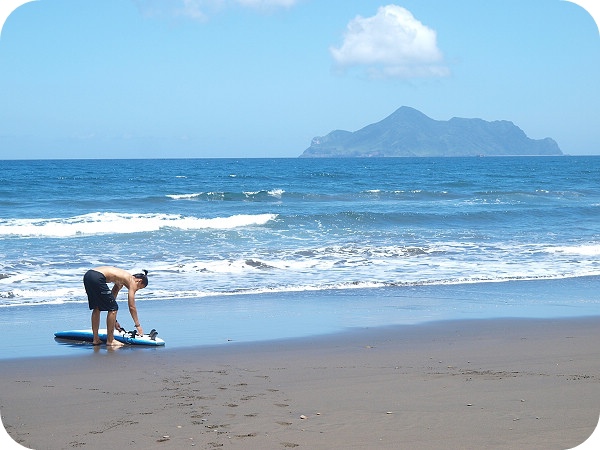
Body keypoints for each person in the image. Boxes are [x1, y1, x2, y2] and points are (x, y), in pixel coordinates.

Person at [83, 266, 148, 347]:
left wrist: (114, 321)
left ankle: (96, 339)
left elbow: (112, 298)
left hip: (88, 275)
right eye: (139, 288)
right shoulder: (132, 282)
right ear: (139, 281)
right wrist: (138, 325)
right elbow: (132, 306)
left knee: (97, 307)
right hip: (98, 277)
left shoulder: (121, 279)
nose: (136, 289)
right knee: (114, 308)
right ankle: (110, 341)